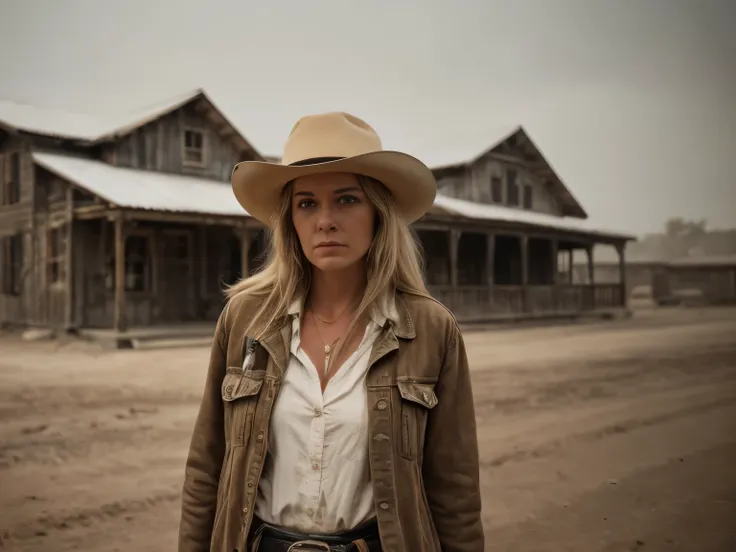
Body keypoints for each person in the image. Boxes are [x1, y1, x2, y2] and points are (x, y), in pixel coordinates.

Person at [178, 112, 484, 552]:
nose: (325, 220)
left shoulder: (431, 330)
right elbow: (206, 469)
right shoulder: (246, 319)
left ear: (379, 212)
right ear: (290, 220)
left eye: (346, 200)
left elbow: (454, 491)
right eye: (307, 203)